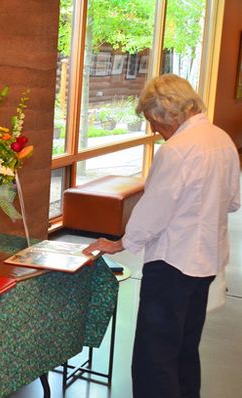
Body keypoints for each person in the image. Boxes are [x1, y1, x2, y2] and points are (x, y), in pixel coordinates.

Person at [82, 74, 240, 398]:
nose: (154, 130)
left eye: (154, 121)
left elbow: (153, 211)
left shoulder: (178, 150)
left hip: (172, 264)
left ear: (169, 112)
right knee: (184, 349)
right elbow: (235, 200)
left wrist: (122, 243)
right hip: (206, 262)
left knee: (154, 360)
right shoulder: (222, 139)